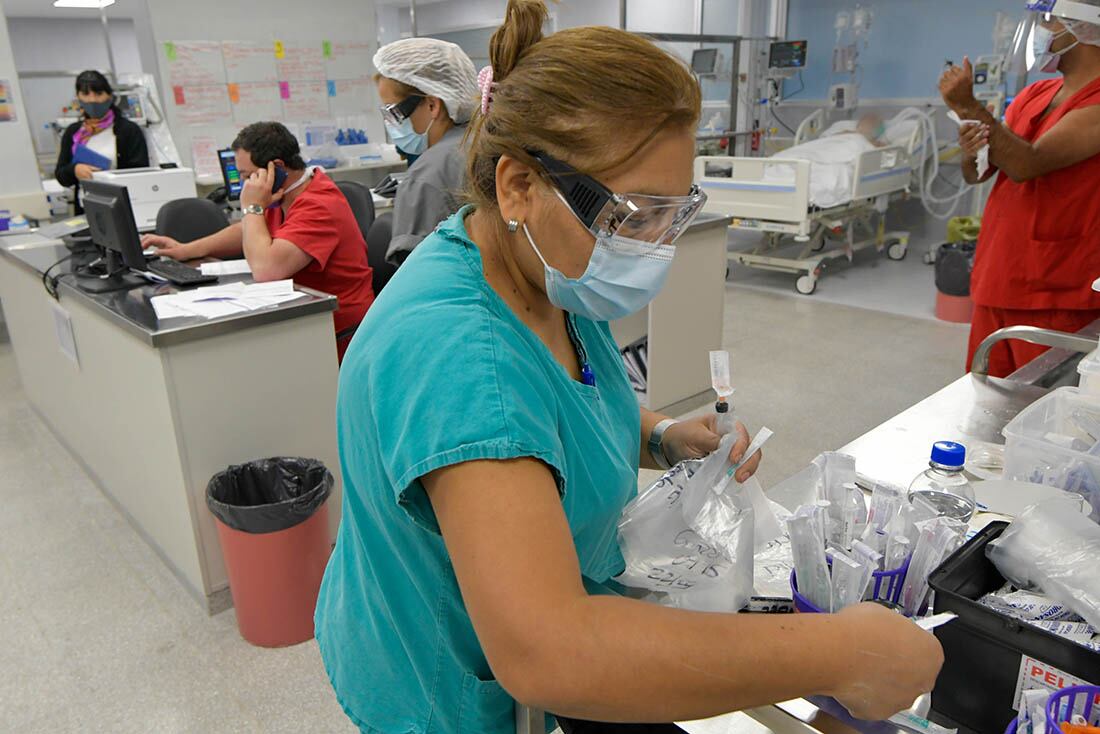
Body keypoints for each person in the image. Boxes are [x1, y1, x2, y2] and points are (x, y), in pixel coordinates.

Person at [315, 2, 943, 733]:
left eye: (673, 215)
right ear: (518, 184)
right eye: (632, 216)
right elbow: (551, 653)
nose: (653, 247)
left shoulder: (531, 262)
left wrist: (659, 434)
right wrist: (836, 654)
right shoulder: (456, 356)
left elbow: (557, 391)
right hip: (445, 683)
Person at [940, 0, 1100, 377]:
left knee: (1044, 418)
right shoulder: (1034, 95)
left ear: (1086, 30)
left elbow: (1027, 163)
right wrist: (970, 140)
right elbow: (979, 173)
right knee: (985, 404)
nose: (1042, 31)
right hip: (999, 276)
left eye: (1050, 21)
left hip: (1056, 290)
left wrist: (968, 104)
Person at [141, 122, 374, 362]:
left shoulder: (319, 204)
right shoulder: (282, 196)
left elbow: (266, 270)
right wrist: (184, 249)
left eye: (248, 175)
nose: (246, 184)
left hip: (337, 330)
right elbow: (250, 230)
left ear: (278, 168)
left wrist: (251, 206)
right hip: (301, 314)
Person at [373, 38, 479, 265]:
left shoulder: (425, 178)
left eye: (393, 112)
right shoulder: (488, 142)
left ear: (432, 105)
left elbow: (416, 279)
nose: (390, 124)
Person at [54, 70, 149, 212]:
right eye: (86, 94)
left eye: (98, 94)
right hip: (86, 207)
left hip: (123, 207)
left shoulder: (128, 130)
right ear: (78, 98)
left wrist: (109, 176)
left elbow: (141, 172)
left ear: (109, 96)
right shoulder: (74, 132)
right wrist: (74, 170)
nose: (92, 100)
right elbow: (61, 175)